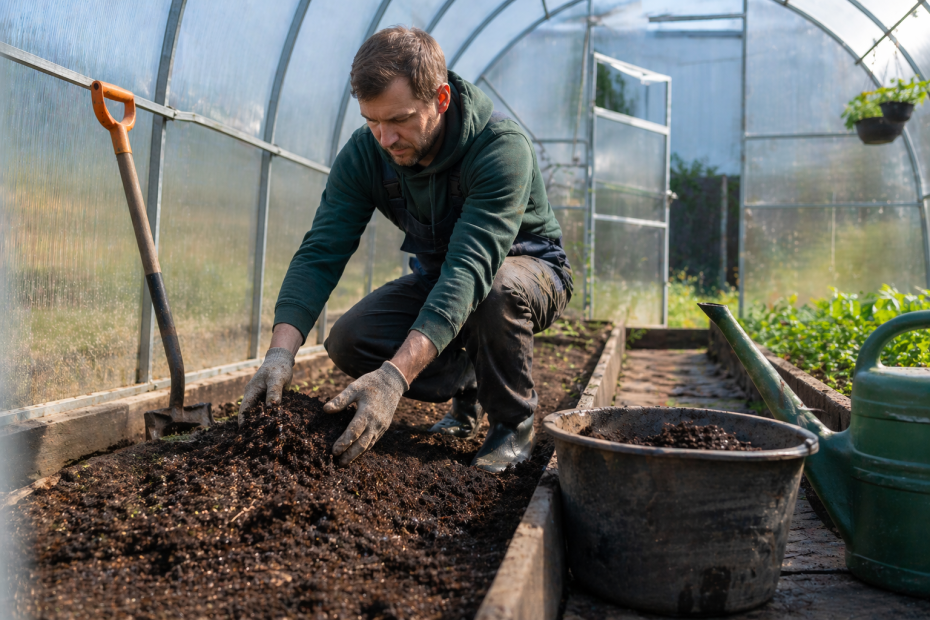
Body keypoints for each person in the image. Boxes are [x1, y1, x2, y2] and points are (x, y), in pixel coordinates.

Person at [239, 26, 572, 473]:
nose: (385, 138)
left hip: (528, 273)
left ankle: (512, 424)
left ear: (441, 99)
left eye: (399, 119)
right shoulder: (367, 154)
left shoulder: (500, 147)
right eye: (372, 121)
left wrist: (394, 378)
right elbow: (321, 251)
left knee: (493, 290)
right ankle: (471, 377)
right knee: (350, 340)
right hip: (440, 276)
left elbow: (471, 267)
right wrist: (279, 354)